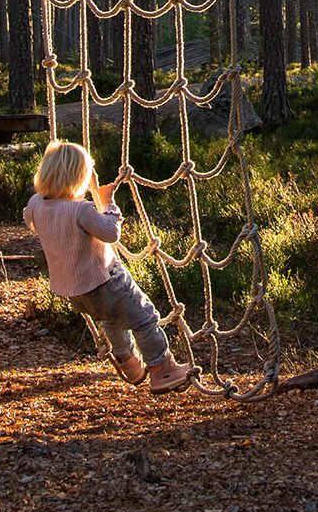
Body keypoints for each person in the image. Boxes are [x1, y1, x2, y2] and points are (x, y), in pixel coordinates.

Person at [23, 139, 194, 393]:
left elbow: (28, 218)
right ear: (79, 178)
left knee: (111, 318)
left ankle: (130, 364)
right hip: (105, 281)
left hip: (75, 292)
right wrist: (108, 203)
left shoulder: (36, 204)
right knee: (144, 317)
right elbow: (110, 233)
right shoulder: (81, 210)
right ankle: (162, 369)